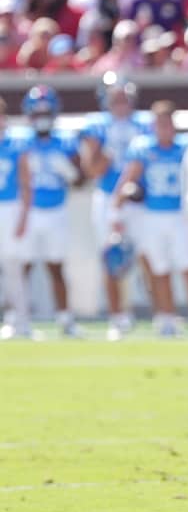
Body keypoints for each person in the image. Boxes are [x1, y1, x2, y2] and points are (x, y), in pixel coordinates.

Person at [111, 101, 188, 337]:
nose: (164, 129)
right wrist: (116, 212)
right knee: (159, 269)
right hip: (152, 215)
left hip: (180, 215)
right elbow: (128, 179)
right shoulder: (143, 148)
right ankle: (166, 318)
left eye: (167, 124)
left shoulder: (185, 148)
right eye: (160, 124)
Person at [79, 72, 152, 341]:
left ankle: (161, 315)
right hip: (108, 197)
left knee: (149, 256)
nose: (121, 100)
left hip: (140, 200)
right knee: (110, 257)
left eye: (124, 95)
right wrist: (105, 154)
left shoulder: (145, 124)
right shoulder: (97, 126)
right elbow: (91, 170)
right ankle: (117, 316)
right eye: (115, 96)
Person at [19, 85, 81, 338]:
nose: (41, 116)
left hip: (56, 211)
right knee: (22, 267)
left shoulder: (65, 141)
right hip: (28, 212)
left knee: (56, 267)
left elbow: (81, 179)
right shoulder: (20, 141)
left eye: (46, 111)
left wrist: (68, 170)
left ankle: (65, 319)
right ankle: (17, 319)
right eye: (37, 112)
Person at [0, 99, 32, 340]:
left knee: (13, 267)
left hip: (9, 208)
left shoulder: (15, 145)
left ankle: (20, 319)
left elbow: (25, 184)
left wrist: (23, 216)